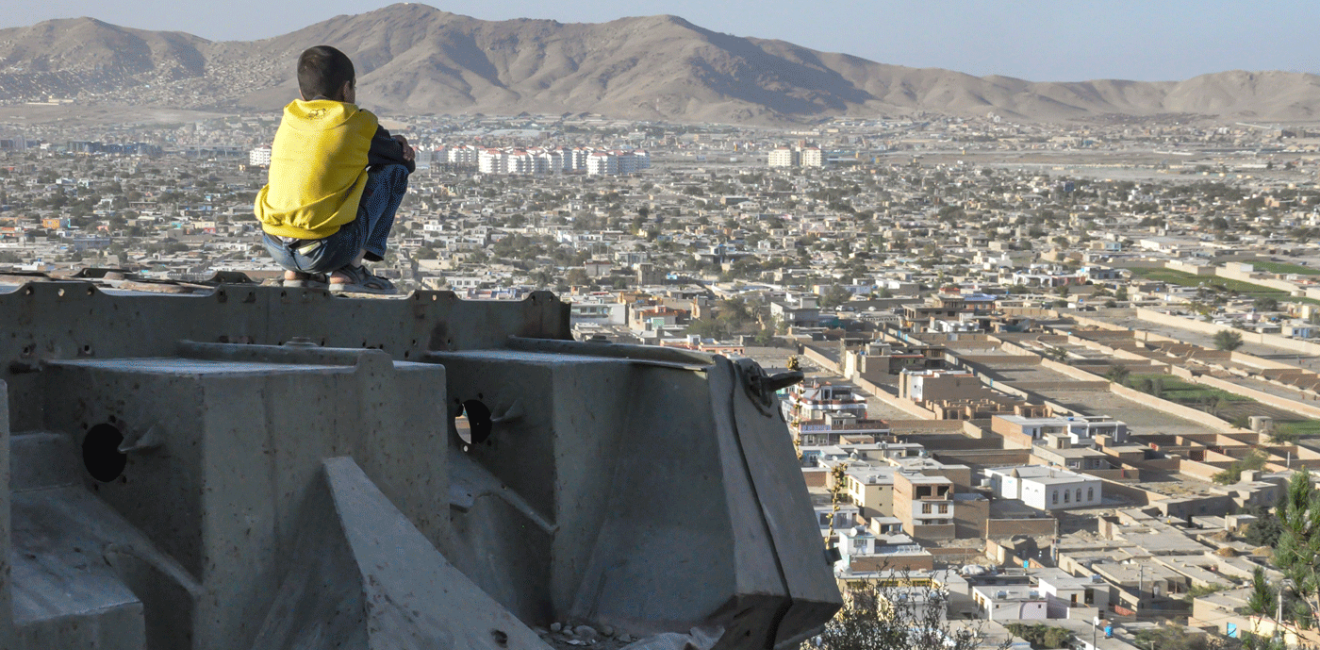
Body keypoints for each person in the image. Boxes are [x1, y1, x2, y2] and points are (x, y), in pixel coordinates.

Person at [254, 45, 415, 294]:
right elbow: (404, 162)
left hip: (275, 245)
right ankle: (349, 271)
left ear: (301, 92)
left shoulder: (290, 117)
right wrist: (398, 144)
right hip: (328, 251)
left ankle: (297, 274)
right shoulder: (355, 121)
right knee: (394, 173)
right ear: (347, 89)